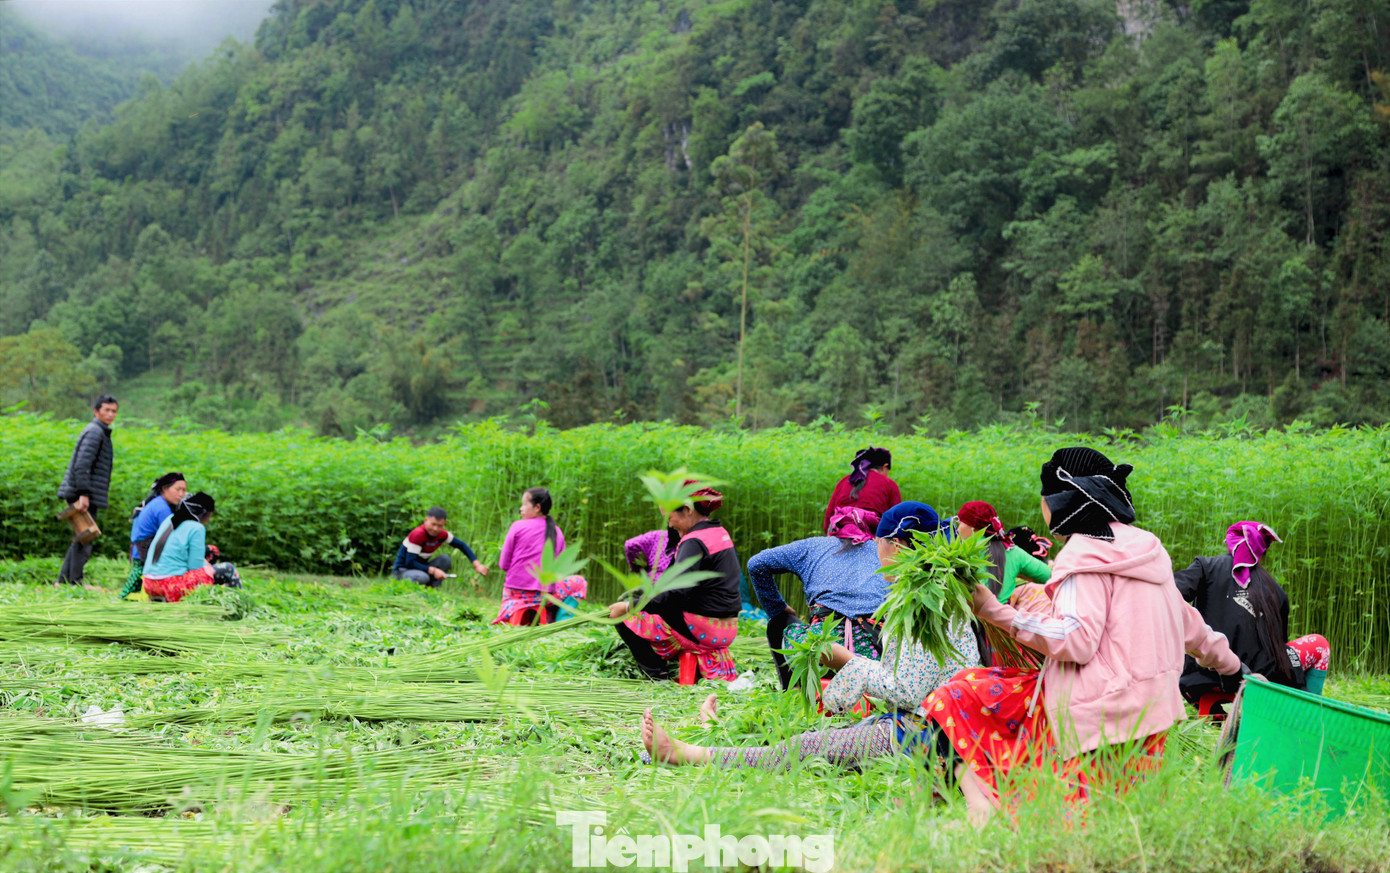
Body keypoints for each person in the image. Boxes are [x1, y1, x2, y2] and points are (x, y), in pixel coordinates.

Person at [928, 447, 1246, 827]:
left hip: (1098, 718)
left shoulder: (1083, 557)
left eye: (1044, 496)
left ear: (1062, 501)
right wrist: (1235, 667)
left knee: (957, 694)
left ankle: (981, 808)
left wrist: (994, 610)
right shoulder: (1147, 552)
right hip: (1151, 719)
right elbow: (1191, 627)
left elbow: (1075, 639)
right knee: (1123, 825)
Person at [639, 501, 979, 769]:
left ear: (896, 544)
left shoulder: (926, 602)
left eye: (879, 544)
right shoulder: (929, 591)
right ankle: (717, 734)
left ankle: (685, 754)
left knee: (806, 747)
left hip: (929, 735)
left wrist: (844, 660)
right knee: (821, 734)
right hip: (924, 722)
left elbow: (907, 690)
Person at [1175, 521, 1330, 699]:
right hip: (1259, 683)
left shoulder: (1205, 566)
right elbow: (1278, 647)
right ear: (1262, 553)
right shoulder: (1276, 591)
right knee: (1320, 645)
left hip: (1200, 680)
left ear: (1230, 542)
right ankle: (1308, 707)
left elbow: (1169, 596)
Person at [749, 506, 890, 689]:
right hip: (874, 655)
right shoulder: (885, 552)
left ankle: (795, 690)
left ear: (834, 529)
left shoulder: (812, 546)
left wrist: (777, 608)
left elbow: (756, 564)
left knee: (780, 622)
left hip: (820, 651)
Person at [610, 486, 741, 681]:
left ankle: (656, 675)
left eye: (670, 518)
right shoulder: (719, 533)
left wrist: (629, 607)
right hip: (728, 627)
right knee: (650, 603)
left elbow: (676, 595)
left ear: (687, 509)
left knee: (624, 616)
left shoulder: (694, 541)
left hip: (702, 629)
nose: (670, 526)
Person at [956, 501, 1054, 665]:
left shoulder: (958, 557)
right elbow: (1050, 576)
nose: (957, 529)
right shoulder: (1012, 552)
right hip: (1006, 639)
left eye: (960, 523)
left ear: (973, 529)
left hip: (967, 639)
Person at [493, 488, 587, 624]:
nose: (521, 509)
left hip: (513, 594)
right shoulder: (557, 531)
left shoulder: (517, 526)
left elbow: (503, 565)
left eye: (524, 504)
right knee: (579, 582)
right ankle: (562, 621)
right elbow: (561, 571)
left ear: (537, 507)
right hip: (544, 596)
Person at [56, 395, 118, 586]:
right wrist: (84, 494)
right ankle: (74, 582)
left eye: (113, 411)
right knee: (85, 539)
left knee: (82, 536)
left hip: (84, 492)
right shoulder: (95, 432)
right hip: (81, 493)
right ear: (96, 411)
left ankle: (64, 581)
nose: (110, 414)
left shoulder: (100, 431)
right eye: (106, 410)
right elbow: (82, 465)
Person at [142, 493, 241, 603]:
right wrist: (207, 567)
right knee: (229, 569)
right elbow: (194, 566)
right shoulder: (197, 527)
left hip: (149, 583)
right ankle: (235, 605)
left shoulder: (170, 519)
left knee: (212, 551)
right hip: (171, 585)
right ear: (205, 514)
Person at [120, 472, 187, 599]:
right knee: (131, 590)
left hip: (140, 551)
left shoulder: (157, 503)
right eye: (178, 489)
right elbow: (173, 535)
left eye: (184, 490)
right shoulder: (162, 508)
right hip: (144, 551)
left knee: (135, 587)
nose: (181, 494)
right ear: (165, 488)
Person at [392, 507, 488, 588]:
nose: (435, 529)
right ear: (426, 521)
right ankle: (403, 585)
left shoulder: (442, 535)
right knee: (422, 577)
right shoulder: (418, 534)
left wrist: (477, 565)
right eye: (433, 524)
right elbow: (410, 562)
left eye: (439, 526)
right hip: (403, 570)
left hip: (421, 569)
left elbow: (461, 545)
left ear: (444, 524)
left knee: (445, 559)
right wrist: (433, 570)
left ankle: (430, 590)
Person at [822, 447, 901, 534]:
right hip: (871, 535)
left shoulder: (844, 481)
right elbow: (896, 519)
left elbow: (828, 518)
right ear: (885, 466)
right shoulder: (889, 483)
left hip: (839, 532)